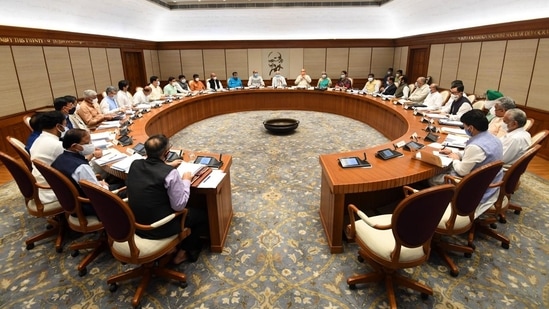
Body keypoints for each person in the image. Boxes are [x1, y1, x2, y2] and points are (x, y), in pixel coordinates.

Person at [126, 134, 208, 264]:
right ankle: (182, 254)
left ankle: (172, 249)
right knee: (202, 215)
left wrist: (168, 165)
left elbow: (151, 168)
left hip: (136, 224)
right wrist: (186, 180)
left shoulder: (135, 164)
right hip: (159, 228)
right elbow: (179, 206)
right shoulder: (170, 173)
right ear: (167, 152)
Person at [429, 109, 503, 218]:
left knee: (433, 178)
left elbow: (462, 171)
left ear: (471, 128)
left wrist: (455, 159)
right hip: (492, 180)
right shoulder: (493, 138)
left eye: (464, 126)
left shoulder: (475, 147)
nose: (464, 129)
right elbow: (474, 156)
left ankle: (441, 202)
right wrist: (455, 153)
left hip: (476, 187)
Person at [51, 129, 123, 216]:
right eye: (87, 143)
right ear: (75, 146)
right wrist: (104, 186)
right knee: (127, 184)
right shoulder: (82, 168)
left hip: (74, 203)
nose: (91, 145)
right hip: (91, 205)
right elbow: (97, 194)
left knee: (114, 180)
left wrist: (96, 183)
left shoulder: (60, 159)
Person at [29, 111, 67, 203]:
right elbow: (75, 164)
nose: (66, 128)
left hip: (43, 186)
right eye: (65, 124)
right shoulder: (56, 145)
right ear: (58, 127)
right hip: (54, 190)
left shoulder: (39, 140)